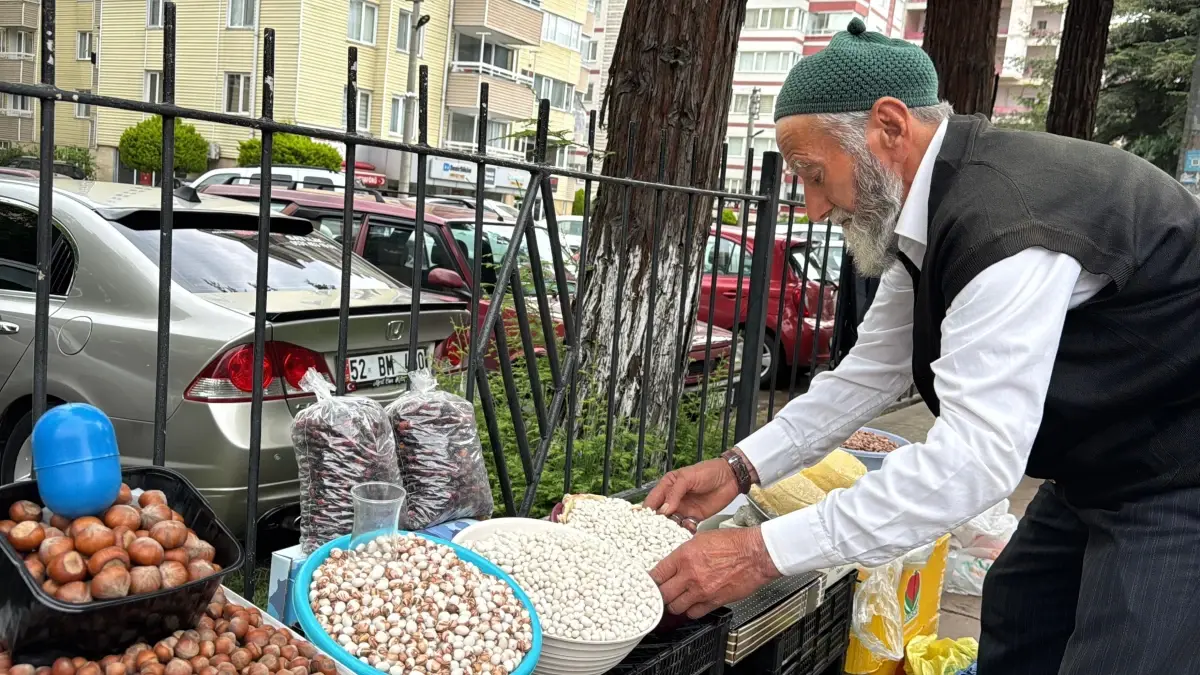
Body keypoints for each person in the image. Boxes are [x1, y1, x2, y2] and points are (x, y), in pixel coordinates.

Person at [646, 17, 1200, 674]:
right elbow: (868, 373)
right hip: (1101, 459)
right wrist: (740, 468)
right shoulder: (931, 214)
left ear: (888, 126)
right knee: (1020, 611)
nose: (814, 208)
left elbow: (973, 462)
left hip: (1178, 472)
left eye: (814, 174)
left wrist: (759, 552)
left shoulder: (1005, 224)